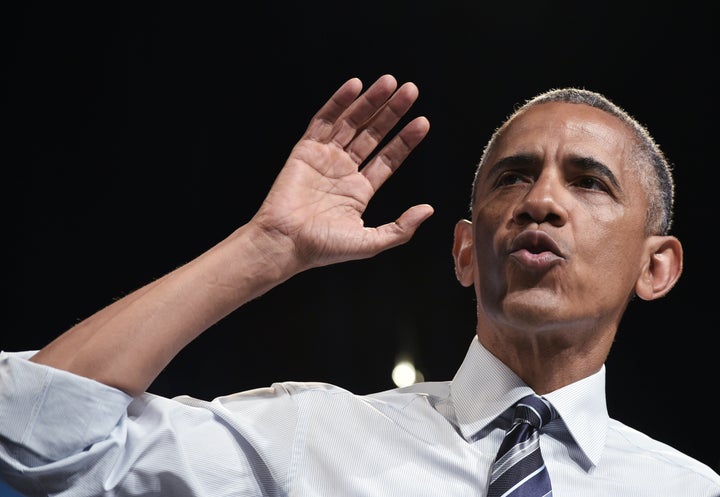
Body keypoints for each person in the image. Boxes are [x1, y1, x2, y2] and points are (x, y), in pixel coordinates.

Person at [1, 74, 718, 497]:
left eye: (589, 182)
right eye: (514, 176)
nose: (542, 201)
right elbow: (33, 439)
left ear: (656, 266)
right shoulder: (308, 436)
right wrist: (263, 248)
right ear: (466, 252)